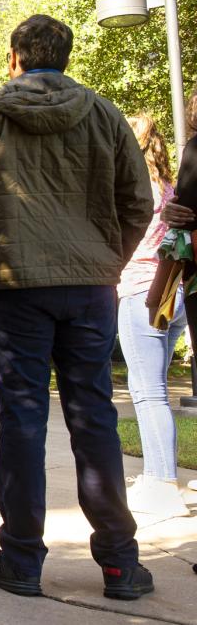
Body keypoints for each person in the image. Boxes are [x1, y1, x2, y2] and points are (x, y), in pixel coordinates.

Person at [0, 14, 155, 600]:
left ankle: (21, 559)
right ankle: (119, 564)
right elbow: (139, 202)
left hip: (15, 290)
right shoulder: (105, 113)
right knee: (94, 420)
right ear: (65, 58)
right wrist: (104, 259)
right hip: (89, 289)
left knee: (22, 422)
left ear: (15, 56)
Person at [118, 115, 190, 518]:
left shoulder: (129, 189)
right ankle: (158, 477)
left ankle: (162, 483)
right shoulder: (168, 188)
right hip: (173, 292)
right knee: (156, 389)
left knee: (148, 393)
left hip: (142, 293)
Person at [155, 88, 197, 497]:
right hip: (186, 283)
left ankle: (162, 479)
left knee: (150, 391)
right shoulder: (189, 158)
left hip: (164, 287)